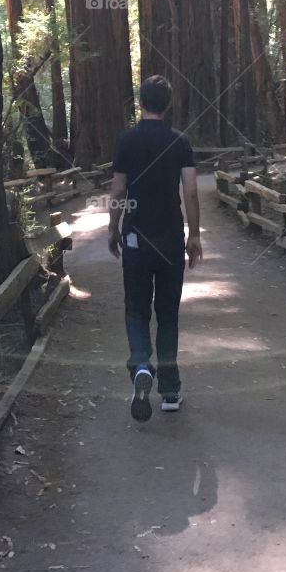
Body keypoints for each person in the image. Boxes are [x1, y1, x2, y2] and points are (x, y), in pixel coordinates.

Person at [107, 75, 202, 422]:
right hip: (170, 240)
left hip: (135, 238)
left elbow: (117, 192)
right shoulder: (180, 142)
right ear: (168, 104)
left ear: (141, 102)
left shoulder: (127, 141)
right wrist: (194, 235)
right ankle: (171, 390)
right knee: (167, 313)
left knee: (135, 310)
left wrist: (112, 229)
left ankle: (142, 366)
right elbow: (191, 191)